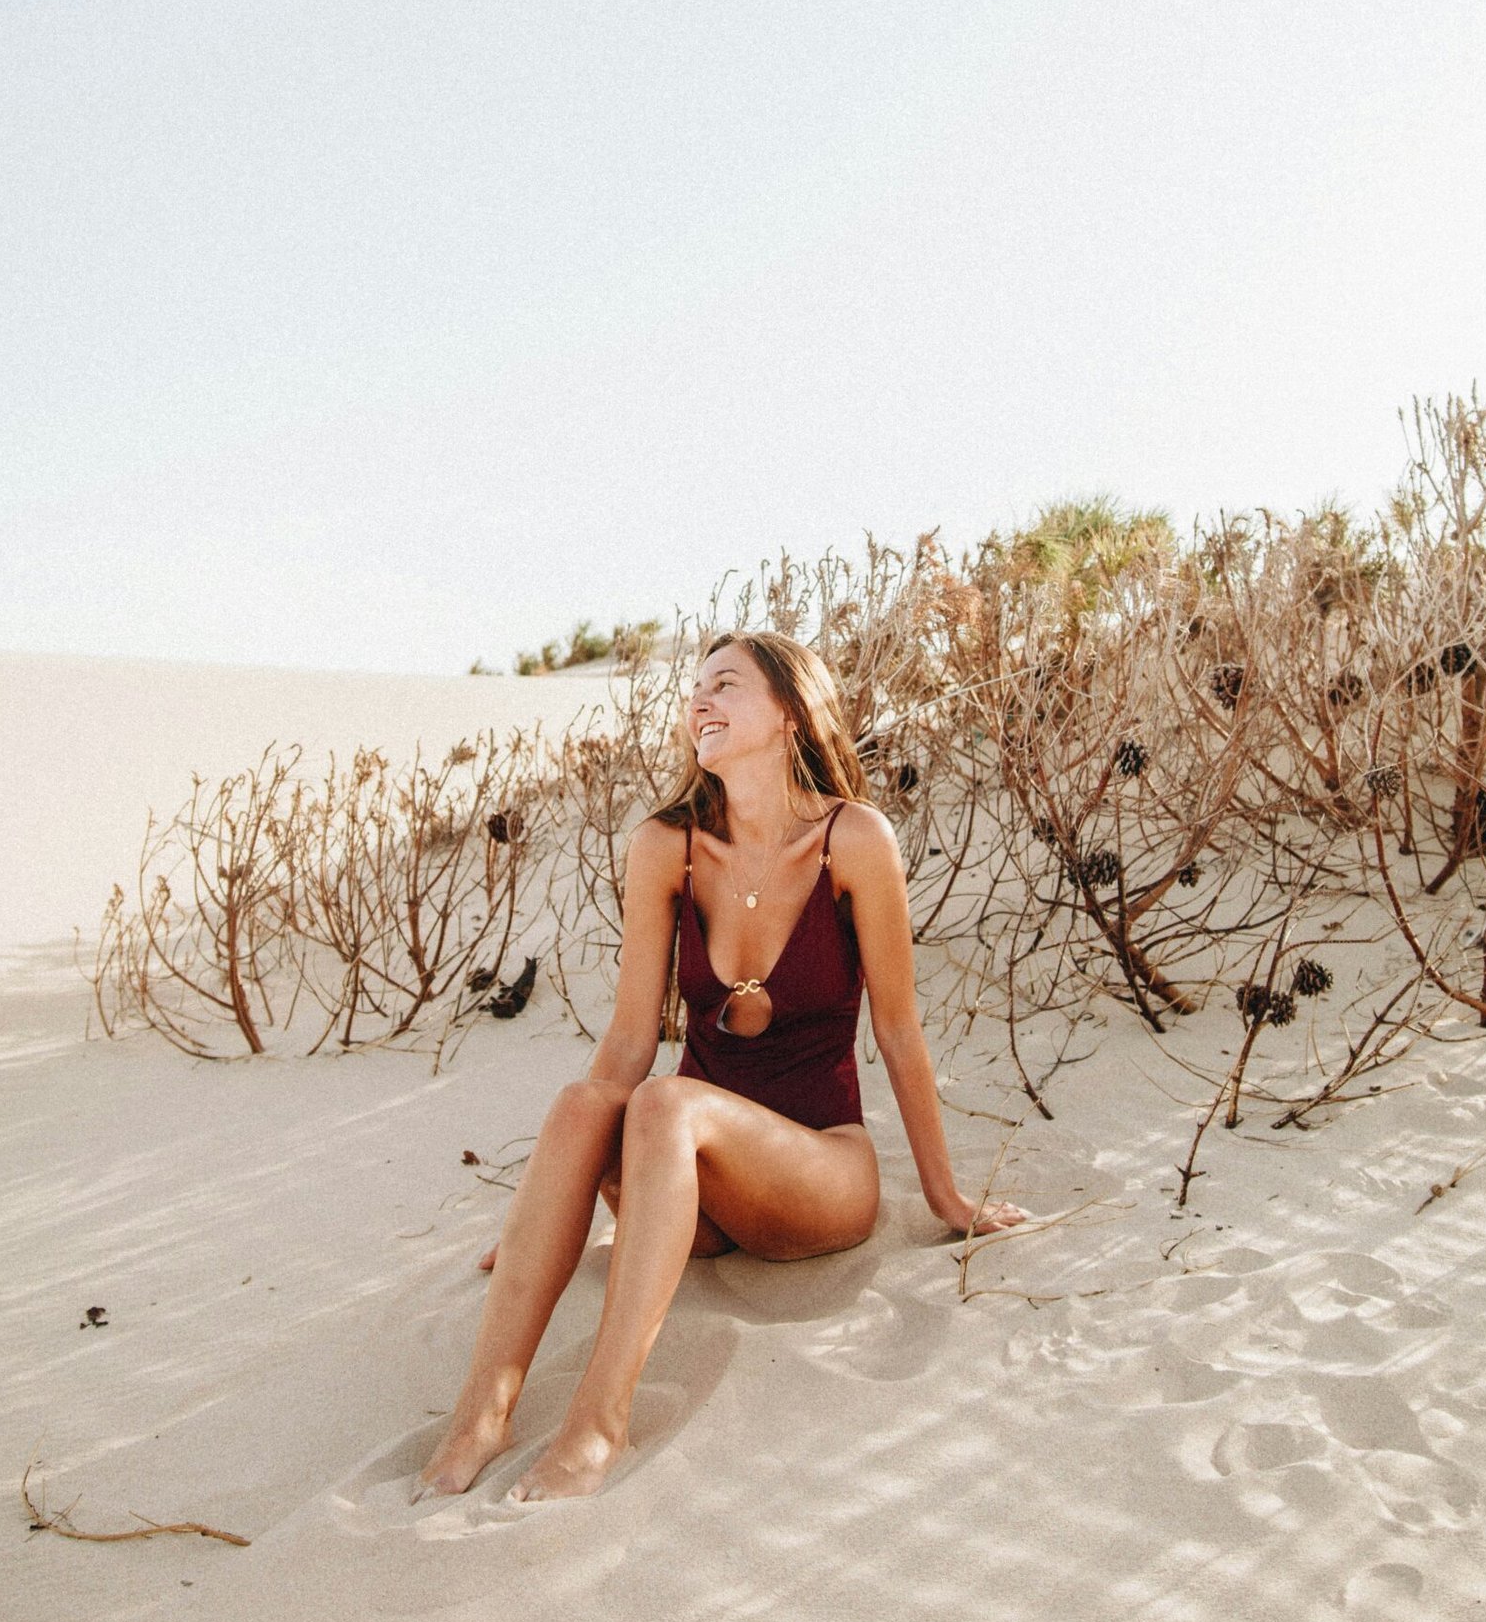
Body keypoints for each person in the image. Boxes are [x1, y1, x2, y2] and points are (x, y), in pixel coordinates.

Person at [413, 629, 1026, 1507]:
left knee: (666, 1105)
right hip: (689, 1196)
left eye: (726, 686)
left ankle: (598, 1423)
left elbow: (897, 1028)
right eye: (694, 689)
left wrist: (946, 1198)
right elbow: (629, 1041)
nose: (699, 702)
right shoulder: (667, 846)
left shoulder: (854, 840)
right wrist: (542, 1209)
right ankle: (481, 1414)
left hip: (818, 1171)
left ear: (788, 713)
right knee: (587, 1105)